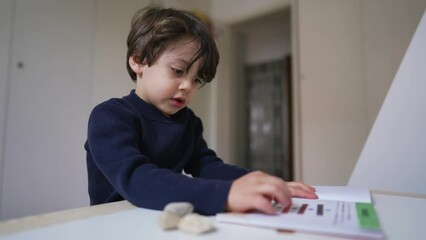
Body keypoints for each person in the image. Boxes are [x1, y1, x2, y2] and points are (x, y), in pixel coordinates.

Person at [85, 6, 317, 216]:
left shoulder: (188, 121)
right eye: (177, 70)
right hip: (114, 223)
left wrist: (262, 182)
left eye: (197, 79)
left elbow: (207, 167)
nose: (188, 86)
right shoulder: (109, 116)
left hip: (161, 220)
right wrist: (225, 194)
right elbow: (137, 180)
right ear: (138, 60)